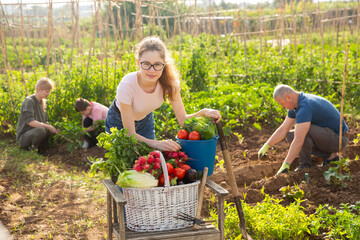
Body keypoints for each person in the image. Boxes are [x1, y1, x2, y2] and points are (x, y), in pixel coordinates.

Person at [105, 36, 221, 151]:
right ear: (138, 62)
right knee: (125, 164)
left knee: (148, 162)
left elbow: (183, 120)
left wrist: (204, 112)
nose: (152, 70)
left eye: (157, 64)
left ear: (164, 64)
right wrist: (157, 144)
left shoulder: (170, 84)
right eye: (146, 64)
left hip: (145, 120)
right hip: (118, 121)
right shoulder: (127, 85)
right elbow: (129, 134)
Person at [258, 84, 349, 175]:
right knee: (290, 135)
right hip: (328, 136)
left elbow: (299, 140)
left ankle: (305, 165)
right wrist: (267, 145)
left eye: (282, 103)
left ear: (289, 97)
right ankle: (330, 156)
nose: (282, 106)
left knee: (303, 132)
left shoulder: (305, 106)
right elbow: (284, 129)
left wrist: (285, 165)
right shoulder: (296, 106)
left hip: (339, 140)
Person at [16, 77, 59, 152]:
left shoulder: (43, 102)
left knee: (47, 131)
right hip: (24, 137)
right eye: (47, 91)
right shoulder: (29, 101)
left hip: (35, 132)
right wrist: (48, 126)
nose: (48, 94)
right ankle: (33, 148)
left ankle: (42, 148)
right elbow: (30, 122)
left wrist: (53, 129)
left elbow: (45, 122)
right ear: (39, 89)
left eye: (49, 92)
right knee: (41, 130)